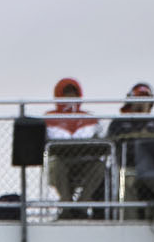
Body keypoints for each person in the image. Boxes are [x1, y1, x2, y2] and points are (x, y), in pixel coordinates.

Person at [43, 77, 106, 218]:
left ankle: (81, 206)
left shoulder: (90, 119)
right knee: (55, 165)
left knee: (99, 166)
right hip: (61, 161)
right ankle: (66, 207)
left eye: (73, 93)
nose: (70, 97)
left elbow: (101, 141)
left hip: (85, 161)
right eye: (66, 93)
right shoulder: (49, 118)